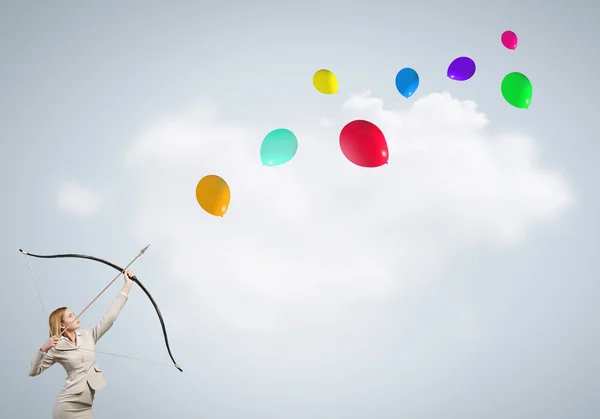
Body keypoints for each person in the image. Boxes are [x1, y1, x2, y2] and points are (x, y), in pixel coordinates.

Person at [29, 269, 136, 419]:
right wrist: (43, 349)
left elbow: (110, 318)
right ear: (61, 325)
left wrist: (127, 285)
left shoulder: (87, 335)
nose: (75, 316)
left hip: (86, 407)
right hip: (66, 406)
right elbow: (33, 371)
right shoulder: (55, 346)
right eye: (70, 315)